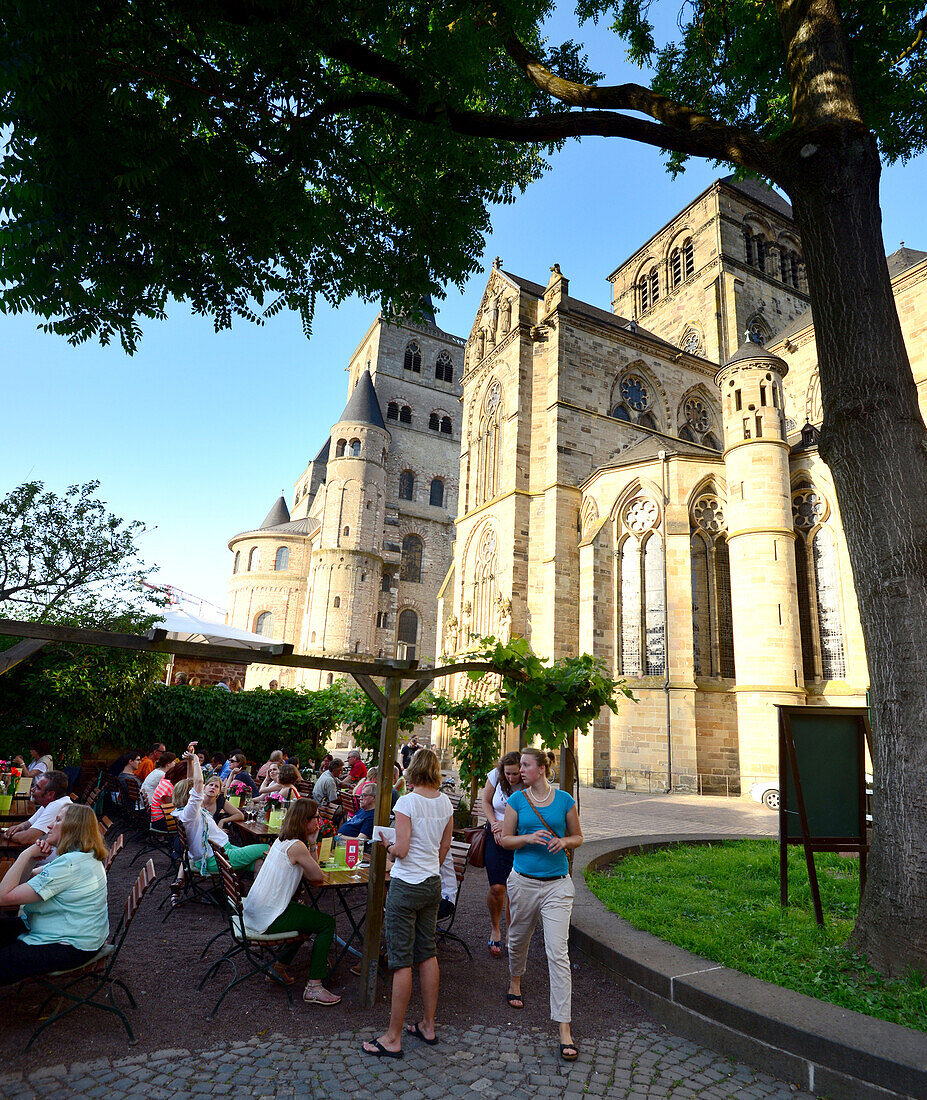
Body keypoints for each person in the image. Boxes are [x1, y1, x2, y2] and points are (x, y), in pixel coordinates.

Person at [362, 747, 453, 1058]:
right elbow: (444, 847)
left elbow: (400, 849)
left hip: (406, 884)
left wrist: (387, 845)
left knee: (401, 960)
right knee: (427, 953)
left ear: (413, 769)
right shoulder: (444, 802)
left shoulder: (408, 801)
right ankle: (428, 1025)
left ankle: (393, 1037)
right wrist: (429, 865)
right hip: (431, 884)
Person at [500, 748, 584, 1062]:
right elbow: (506, 839)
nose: (520, 770)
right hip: (523, 881)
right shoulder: (516, 801)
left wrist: (563, 842)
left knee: (557, 952)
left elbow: (578, 836)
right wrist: (527, 838)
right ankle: (515, 978)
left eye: (525, 765)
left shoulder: (564, 800)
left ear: (541, 768)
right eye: (520, 765)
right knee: (518, 938)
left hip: (558, 885)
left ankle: (564, 1027)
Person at [241, 799, 340, 1004]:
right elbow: (317, 876)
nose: (319, 820)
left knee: (305, 916)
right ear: (305, 820)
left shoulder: (282, 840)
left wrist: (311, 840)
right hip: (267, 918)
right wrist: (312, 842)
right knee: (326, 923)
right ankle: (314, 986)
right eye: (316, 817)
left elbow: (312, 871)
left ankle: (278, 967)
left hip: (256, 910)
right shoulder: (297, 846)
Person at [0, 804, 109, 983]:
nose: (50, 825)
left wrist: (25, 854)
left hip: (70, 946)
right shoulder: (83, 855)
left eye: (58, 820)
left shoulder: (70, 865)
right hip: (81, 936)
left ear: (72, 828)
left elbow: (4, 898)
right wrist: (32, 859)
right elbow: (25, 880)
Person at [172, 743, 268, 875]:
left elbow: (190, 779)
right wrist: (195, 758)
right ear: (189, 796)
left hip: (220, 851)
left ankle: (254, 894)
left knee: (259, 863)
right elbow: (198, 782)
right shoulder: (190, 812)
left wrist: (190, 759)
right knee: (267, 848)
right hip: (216, 857)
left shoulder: (183, 811)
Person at [481, 751, 524, 957]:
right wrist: (495, 825)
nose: (511, 778)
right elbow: (486, 802)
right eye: (508, 774)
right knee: (498, 887)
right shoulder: (495, 775)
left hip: (518, 838)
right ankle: (495, 926)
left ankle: (511, 932)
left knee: (515, 889)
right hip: (495, 836)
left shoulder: (527, 781)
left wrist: (509, 830)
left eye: (515, 774)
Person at [4, 772, 72, 847]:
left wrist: (8, 834)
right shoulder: (50, 803)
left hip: (51, 856)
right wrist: (16, 828)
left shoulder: (57, 806)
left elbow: (27, 839)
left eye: (38, 788)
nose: (32, 789)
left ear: (50, 794)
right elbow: (28, 824)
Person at [150, 759, 187, 830]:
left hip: (159, 816)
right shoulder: (168, 787)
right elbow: (172, 808)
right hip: (160, 820)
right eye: (185, 777)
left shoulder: (166, 779)